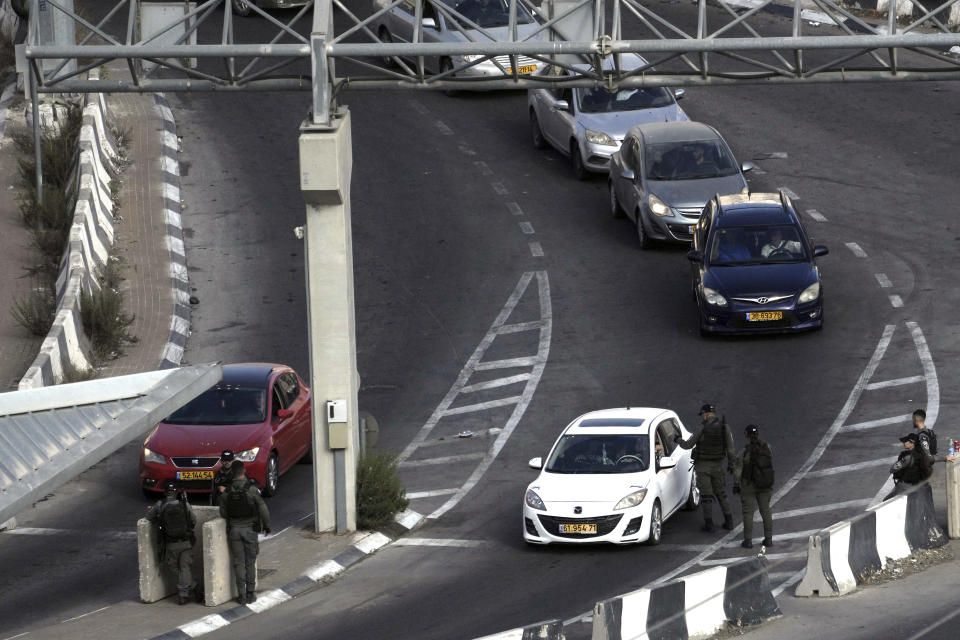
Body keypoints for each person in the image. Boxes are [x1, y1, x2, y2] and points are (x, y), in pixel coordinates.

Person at [675, 403, 735, 532]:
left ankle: (709, 524)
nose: (702, 417)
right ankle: (729, 522)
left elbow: (688, 445)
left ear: (706, 414)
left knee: (707, 496)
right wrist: (731, 464)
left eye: (702, 415)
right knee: (721, 494)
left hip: (703, 467)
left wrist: (677, 439)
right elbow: (730, 449)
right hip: (718, 466)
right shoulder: (725, 427)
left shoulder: (701, 428)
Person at [219, 460, 270, 605]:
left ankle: (241, 595)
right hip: (250, 530)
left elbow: (223, 512)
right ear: (243, 471)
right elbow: (263, 509)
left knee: (238, 563)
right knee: (250, 562)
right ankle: (250, 594)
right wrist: (267, 527)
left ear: (232, 473)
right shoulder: (251, 490)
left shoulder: (226, 493)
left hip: (234, 531)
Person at [146, 480, 198, 605]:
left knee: (174, 568)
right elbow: (193, 520)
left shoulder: (160, 505)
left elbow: (149, 518)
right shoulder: (184, 504)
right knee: (184, 568)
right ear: (176, 493)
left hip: (170, 544)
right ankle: (192, 589)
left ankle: (184, 593)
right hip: (186, 542)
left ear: (165, 492)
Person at [733, 424, 774, 549]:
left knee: (748, 513)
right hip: (764, 484)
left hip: (748, 485)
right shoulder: (767, 448)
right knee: (766, 511)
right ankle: (768, 539)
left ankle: (748, 541)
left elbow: (738, 471)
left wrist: (736, 484)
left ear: (746, 435)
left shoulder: (744, 453)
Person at [884, 433, 931, 500]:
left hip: (905, 486)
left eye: (906, 441)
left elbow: (892, 469)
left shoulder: (907, 457)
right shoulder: (923, 454)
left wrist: (900, 461)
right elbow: (933, 459)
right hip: (919, 485)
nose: (904, 443)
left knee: (885, 501)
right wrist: (946, 458)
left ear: (912, 443)